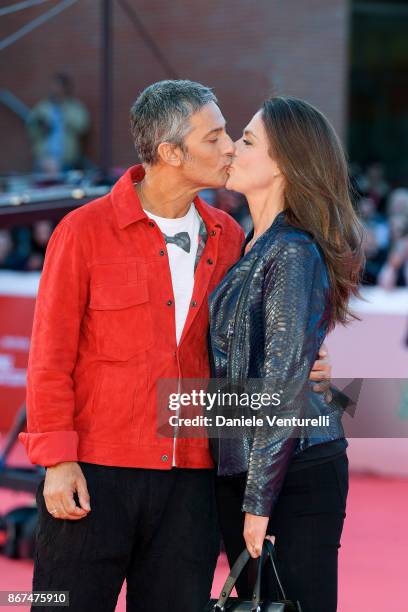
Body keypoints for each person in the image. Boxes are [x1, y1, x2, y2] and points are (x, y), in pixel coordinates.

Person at [19, 81, 332, 612]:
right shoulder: (82, 232)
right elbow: (50, 356)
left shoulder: (231, 236)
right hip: (94, 475)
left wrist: (301, 366)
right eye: (214, 138)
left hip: (192, 483)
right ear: (170, 153)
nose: (230, 146)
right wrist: (56, 461)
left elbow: (249, 344)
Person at [208, 97, 365, 612]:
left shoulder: (292, 251)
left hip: (292, 473)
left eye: (248, 140)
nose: (233, 147)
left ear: (284, 163)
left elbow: (281, 386)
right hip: (257, 468)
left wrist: (258, 502)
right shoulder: (251, 243)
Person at [26, 73, 90, 173]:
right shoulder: (43, 107)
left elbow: (82, 127)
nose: (54, 89)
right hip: (44, 160)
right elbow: (31, 128)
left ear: (65, 88)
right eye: (53, 86)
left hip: (66, 160)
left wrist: (65, 115)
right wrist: (41, 127)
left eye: (57, 86)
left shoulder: (74, 107)